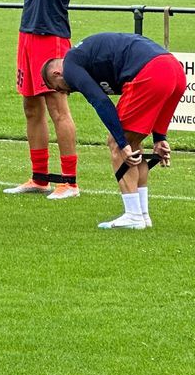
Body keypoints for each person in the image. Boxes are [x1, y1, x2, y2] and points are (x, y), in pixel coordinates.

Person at [42, 33, 185, 229]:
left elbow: (100, 101)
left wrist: (121, 142)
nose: (65, 92)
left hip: (151, 71)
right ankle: (143, 215)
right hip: (174, 70)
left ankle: (133, 216)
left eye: (58, 89)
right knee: (134, 144)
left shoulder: (70, 65)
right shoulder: (84, 59)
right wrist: (159, 137)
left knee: (117, 144)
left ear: (56, 74)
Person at [0, 0, 81, 198]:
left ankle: (69, 182)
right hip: (28, 34)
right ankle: (39, 178)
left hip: (52, 36)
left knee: (57, 109)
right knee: (31, 108)